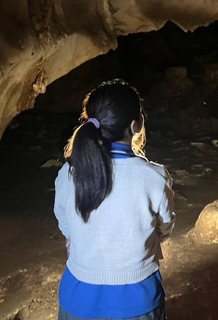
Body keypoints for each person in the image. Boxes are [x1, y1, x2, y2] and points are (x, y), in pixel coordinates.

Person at [54, 79, 175, 320]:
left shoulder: (68, 175)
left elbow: (66, 227)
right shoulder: (154, 178)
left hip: (77, 300)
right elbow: (165, 228)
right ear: (136, 125)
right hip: (138, 303)